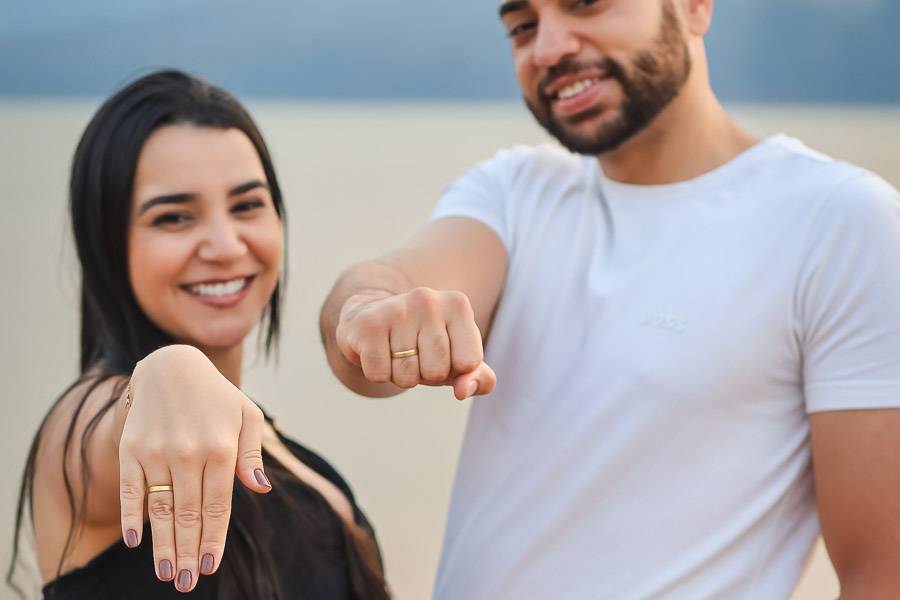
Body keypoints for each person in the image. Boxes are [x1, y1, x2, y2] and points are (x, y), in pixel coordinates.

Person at [320, 0, 900, 598]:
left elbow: (881, 574)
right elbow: (379, 308)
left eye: (585, 6)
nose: (548, 49)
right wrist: (367, 314)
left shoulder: (838, 220)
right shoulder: (517, 192)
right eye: (522, 27)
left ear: (696, 8)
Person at [9, 70, 390, 599]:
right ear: (108, 242)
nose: (225, 245)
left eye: (247, 205)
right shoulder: (84, 430)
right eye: (174, 217)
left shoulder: (276, 445)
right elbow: (130, 423)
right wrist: (168, 371)